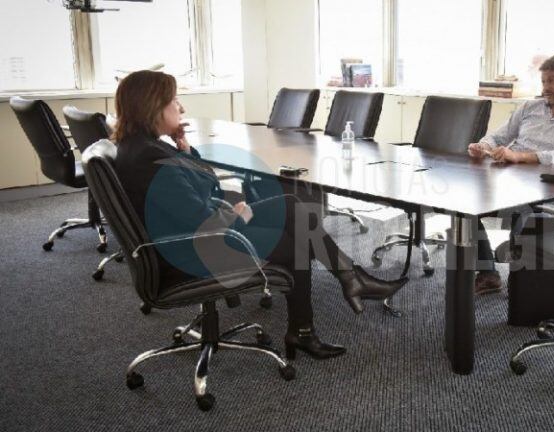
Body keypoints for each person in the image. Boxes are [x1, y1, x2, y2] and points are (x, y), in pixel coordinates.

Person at [111, 70, 407, 360]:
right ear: (153, 106)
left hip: (191, 236)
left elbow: (205, 184)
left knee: (291, 204)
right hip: (195, 248)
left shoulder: (142, 146)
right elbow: (201, 220)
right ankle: (310, 324)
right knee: (297, 244)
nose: (181, 107)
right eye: (174, 100)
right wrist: (238, 214)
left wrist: (185, 149)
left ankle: (348, 280)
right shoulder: (149, 158)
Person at [467, 54, 554, 294]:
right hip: (507, 176)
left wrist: (520, 156)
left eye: (552, 81)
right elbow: (499, 136)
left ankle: (523, 280)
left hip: (547, 186)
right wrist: (483, 146)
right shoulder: (529, 107)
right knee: (465, 207)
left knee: (524, 219)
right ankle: (487, 273)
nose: (546, 88)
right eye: (543, 82)